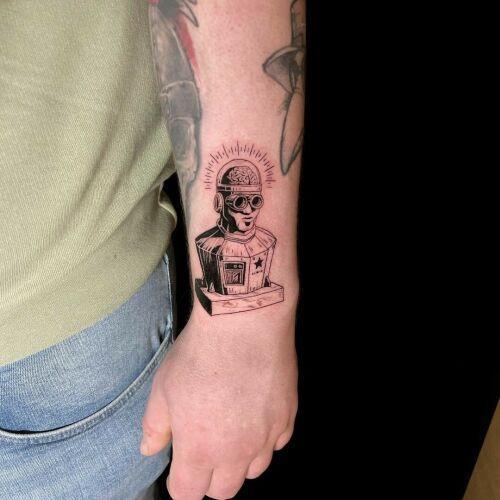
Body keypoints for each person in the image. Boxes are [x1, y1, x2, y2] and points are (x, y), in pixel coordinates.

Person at [0, 0, 305, 499]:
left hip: (52, 343)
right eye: (241, 201)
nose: (248, 211)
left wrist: (244, 327)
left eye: (252, 201)